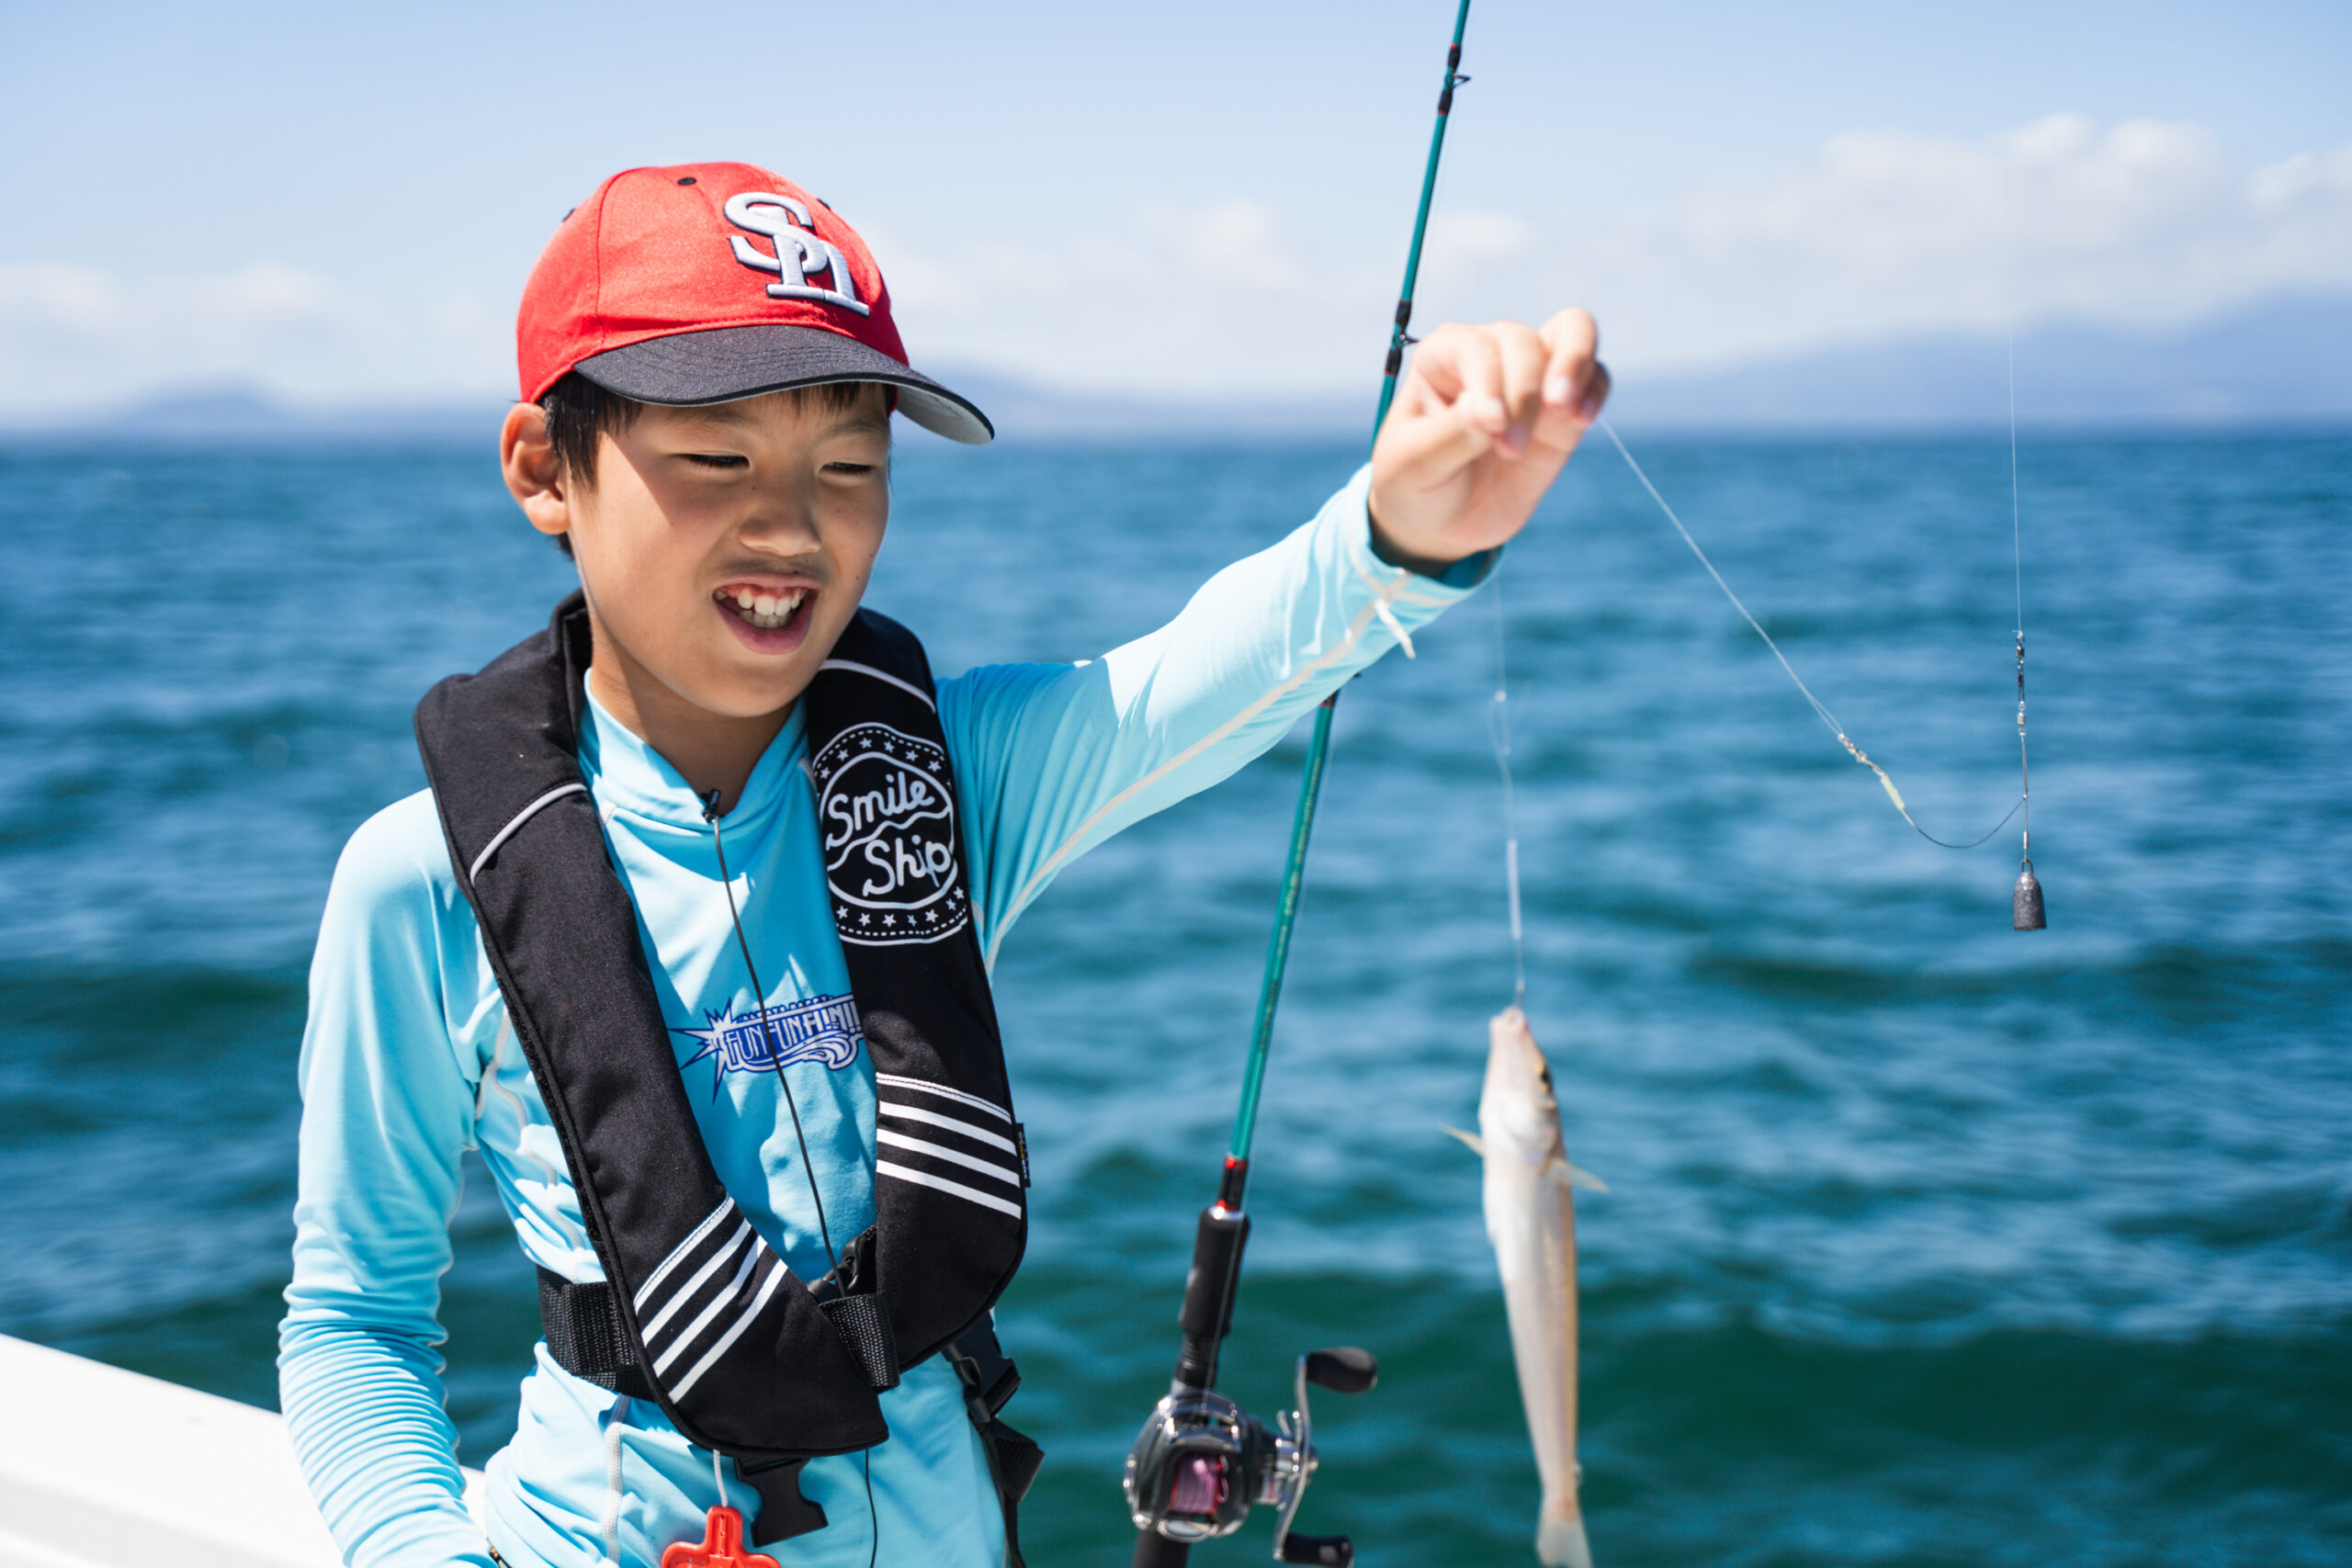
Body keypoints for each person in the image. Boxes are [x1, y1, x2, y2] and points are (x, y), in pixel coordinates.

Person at [277, 160, 1609, 1568]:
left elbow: (1198, 685)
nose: (792, 522)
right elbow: (354, 1314)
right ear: (548, 468)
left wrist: (1399, 537)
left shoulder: (945, 787)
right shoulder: (423, 882)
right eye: (718, 458)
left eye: (850, 465)